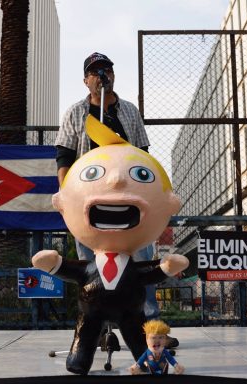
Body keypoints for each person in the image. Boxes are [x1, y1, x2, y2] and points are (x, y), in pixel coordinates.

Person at [33, 118, 189, 374]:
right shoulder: (77, 114)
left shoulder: (128, 112)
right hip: (91, 311)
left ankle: (146, 357)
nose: (116, 181)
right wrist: (56, 264)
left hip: (131, 311)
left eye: (140, 175)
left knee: (138, 337)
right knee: (85, 333)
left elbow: (145, 273)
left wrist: (164, 267)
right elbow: (77, 271)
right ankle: (79, 360)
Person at [55, 52, 173, 335]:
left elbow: (143, 154)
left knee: (142, 264)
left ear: (114, 75)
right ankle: (97, 330)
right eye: (95, 72)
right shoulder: (75, 113)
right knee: (90, 267)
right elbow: (64, 157)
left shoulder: (130, 111)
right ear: (86, 80)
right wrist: (65, 196)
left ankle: (149, 329)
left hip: (129, 200)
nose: (101, 76)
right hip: (90, 203)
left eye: (106, 69)